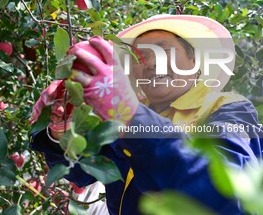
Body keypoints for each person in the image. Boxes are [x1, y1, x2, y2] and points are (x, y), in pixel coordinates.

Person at [29, 15, 262, 215]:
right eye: (140, 58)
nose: (151, 63)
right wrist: (62, 131)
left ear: (193, 60)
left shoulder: (229, 109)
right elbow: (82, 172)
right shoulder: (127, 118)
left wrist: (130, 114)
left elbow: (229, 192)